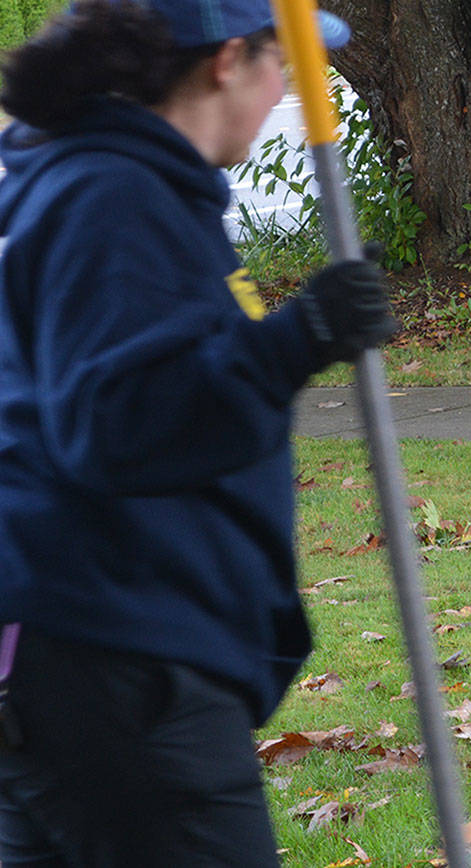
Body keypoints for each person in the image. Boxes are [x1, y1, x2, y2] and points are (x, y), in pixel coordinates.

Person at [0, 0, 394, 862]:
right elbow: (113, 423)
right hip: (118, 664)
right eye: (280, 61)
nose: (285, 87)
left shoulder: (121, 183)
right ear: (226, 59)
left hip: (94, 655)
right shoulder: (111, 194)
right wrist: (298, 339)